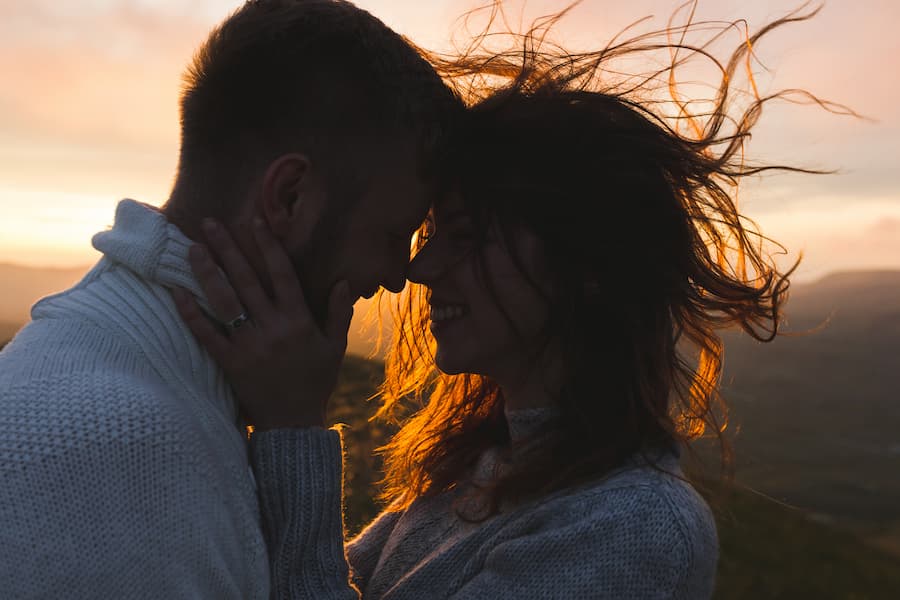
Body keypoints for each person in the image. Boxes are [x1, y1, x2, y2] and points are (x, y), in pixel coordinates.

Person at [176, 4, 852, 598]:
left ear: (582, 264)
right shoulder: (475, 478)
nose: (420, 267)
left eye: (466, 237)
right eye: (432, 232)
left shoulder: (636, 528)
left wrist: (294, 426)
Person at [0, 1, 458, 597]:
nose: (401, 276)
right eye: (394, 235)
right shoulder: (128, 463)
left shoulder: (126, 366)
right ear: (290, 196)